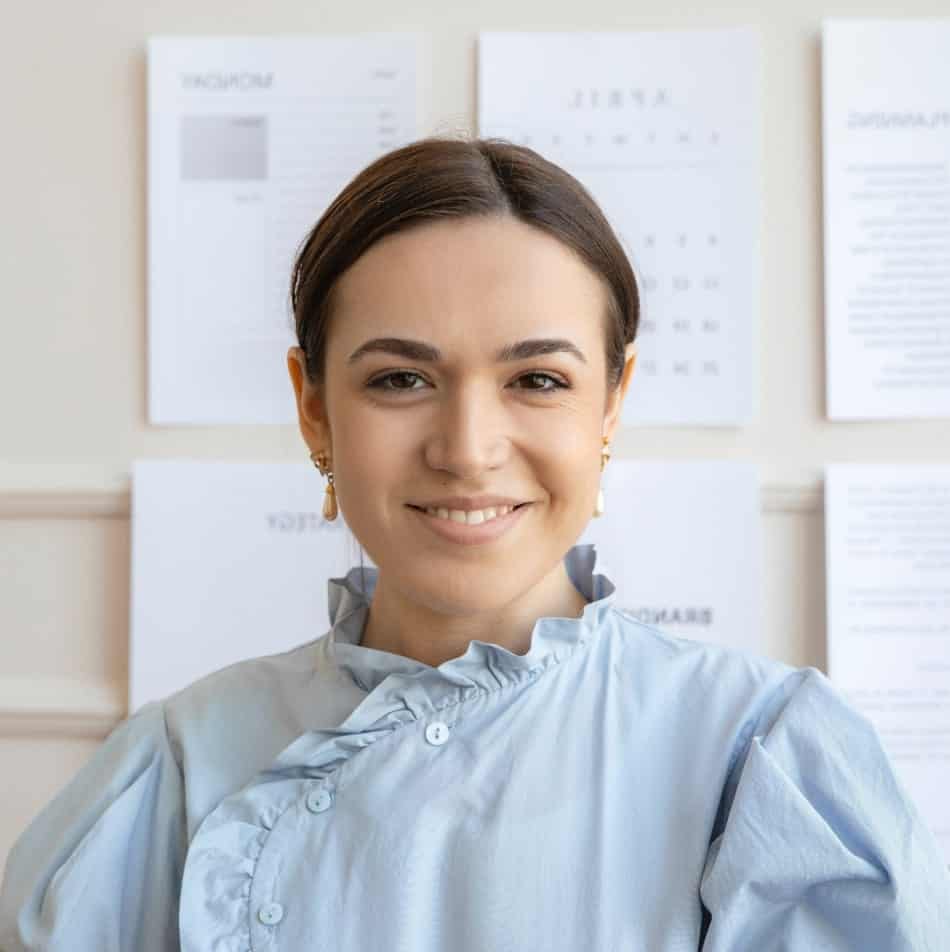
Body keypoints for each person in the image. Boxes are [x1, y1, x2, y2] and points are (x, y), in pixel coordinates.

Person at [1, 136, 948, 951]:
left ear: (611, 403)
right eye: (401, 380)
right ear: (312, 407)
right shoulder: (180, 760)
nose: (466, 449)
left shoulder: (758, 755)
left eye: (537, 380)